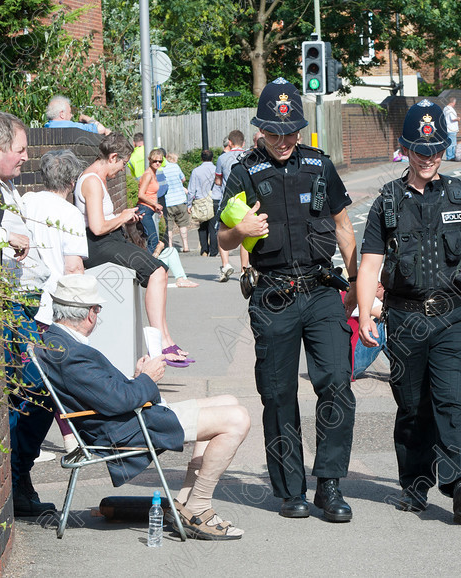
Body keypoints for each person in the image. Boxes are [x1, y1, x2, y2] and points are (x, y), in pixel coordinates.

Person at [218, 77, 358, 523]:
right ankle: (290, 490)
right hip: (274, 292)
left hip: (320, 291)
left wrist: (362, 290)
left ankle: (330, 486)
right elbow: (221, 236)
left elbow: (343, 227)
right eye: (275, 133)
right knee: (278, 394)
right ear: (260, 130)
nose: (283, 141)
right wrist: (241, 232)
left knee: (336, 382)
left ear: (301, 130)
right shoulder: (244, 172)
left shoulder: (319, 166)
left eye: (291, 132)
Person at [356, 99, 461, 524]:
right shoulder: (387, 203)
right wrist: (364, 315)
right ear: (405, 150)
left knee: (452, 401)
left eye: (436, 149)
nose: (430, 157)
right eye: (421, 150)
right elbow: (370, 264)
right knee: (413, 407)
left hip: (452, 316)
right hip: (405, 318)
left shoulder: (460, 197)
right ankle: (415, 486)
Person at [39, 274, 250, 540]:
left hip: (124, 420)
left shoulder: (59, 341)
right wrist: (147, 378)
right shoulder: (72, 354)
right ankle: (199, 507)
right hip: (125, 429)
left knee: (228, 401)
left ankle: (186, 501)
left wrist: (136, 378)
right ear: (90, 314)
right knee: (237, 419)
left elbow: (104, 393)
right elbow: (116, 401)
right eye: (98, 309)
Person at [0, 110, 55, 517]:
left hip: (22, 302)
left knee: (34, 390)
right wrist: (4, 236)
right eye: (19, 151)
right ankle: (18, 479)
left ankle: (20, 477)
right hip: (7, 307)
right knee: (35, 389)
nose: (26, 158)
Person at [73, 133, 192, 367]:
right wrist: (123, 216)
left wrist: (123, 218)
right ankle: (161, 346)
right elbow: (97, 227)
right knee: (157, 272)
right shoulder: (92, 181)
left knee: (161, 270)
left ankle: (166, 338)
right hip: (100, 244)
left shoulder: (96, 177)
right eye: (123, 164)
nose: (121, 170)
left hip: (109, 239)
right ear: (113, 157)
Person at [20, 149, 88, 453]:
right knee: (56, 380)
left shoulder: (26, 201)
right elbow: (73, 268)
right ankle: (69, 439)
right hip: (53, 306)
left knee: (29, 379)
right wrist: (84, 307)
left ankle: (68, 438)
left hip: (23, 301)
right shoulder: (71, 213)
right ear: (71, 181)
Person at [215, 130, 249, 282]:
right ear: (243, 143)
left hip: (229, 201)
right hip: (246, 201)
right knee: (245, 235)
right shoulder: (249, 156)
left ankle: (226, 264)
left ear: (229, 142)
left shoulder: (222, 158)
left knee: (223, 231)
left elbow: (218, 181)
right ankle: (244, 269)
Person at [187, 149, 218, 257]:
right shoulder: (216, 170)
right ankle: (214, 251)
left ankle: (204, 249)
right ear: (212, 158)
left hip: (200, 201)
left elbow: (191, 189)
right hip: (213, 200)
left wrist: (189, 204)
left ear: (201, 158)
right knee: (213, 227)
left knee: (203, 227)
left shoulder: (196, 171)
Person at [136, 148, 165, 253]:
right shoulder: (148, 174)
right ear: (149, 160)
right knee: (154, 241)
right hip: (144, 210)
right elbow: (141, 195)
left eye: (160, 161)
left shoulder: (153, 173)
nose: (157, 163)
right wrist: (155, 204)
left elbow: (150, 194)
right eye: (155, 161)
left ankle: (149, 263)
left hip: (148, 210)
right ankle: (148, 265)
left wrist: (156, 208)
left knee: (150, 241)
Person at [162, 152, 190, 252]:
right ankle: (185, 246)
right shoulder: (175, 167)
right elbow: (183, 179)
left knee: (169, 227)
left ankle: (170, 247)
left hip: (168, 201)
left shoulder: (160, 170)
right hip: (180, 199)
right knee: (183, 224)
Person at [44, 95, 110, 135]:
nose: (71, 115)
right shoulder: (71, 126)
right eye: (69, 112)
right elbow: (101, 129)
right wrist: (84, 117)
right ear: (62, 114)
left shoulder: (46, 126)